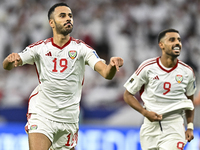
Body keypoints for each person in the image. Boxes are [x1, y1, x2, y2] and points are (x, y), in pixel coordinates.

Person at [2, 2, 123, 150]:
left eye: (70, 16)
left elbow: (106, 73)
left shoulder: (81, 49)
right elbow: (8, 65)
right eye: (63, 15)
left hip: (68, 119)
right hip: (43, 113)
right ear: (51, 23)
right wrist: (9, 60)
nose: (68, 19)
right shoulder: (40, 48)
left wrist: (111, 66)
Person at [123, 28, 196, 150]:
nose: (177, 43)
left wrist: (190, 126)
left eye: (179, 40)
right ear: (161, 45)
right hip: (150, 127)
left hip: (174, 125)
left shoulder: (187, 72)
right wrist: (144, 112)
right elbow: (128, 94)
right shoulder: (147, 67)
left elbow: (190, 101)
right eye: (172, 40)